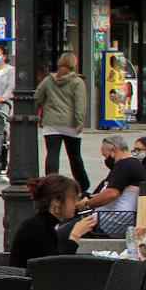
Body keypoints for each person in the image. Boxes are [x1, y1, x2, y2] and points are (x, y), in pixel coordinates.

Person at [34, 52, 90, 192]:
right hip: (70, 124)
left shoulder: (49, 79)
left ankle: (51, 184)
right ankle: (83, 184)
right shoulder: (77, 82)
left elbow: (37, 97)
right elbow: (80, 104)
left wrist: (37, 115)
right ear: (74, 65)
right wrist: (80, 122)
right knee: (74, 156)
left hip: (51, 122)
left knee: (52, 154)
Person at [76, 135, 146, 235]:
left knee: (66, 231)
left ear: (113, 151)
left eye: (105, 155)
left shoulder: (123, 165)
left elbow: (112, 193)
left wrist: (87, 205)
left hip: (109, 221)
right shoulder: (134, 164)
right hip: (118, 219)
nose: (105, 159)